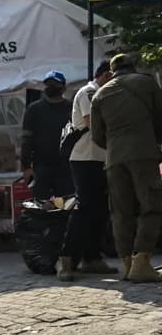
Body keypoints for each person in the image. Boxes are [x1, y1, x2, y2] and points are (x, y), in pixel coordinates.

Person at [92, 53, 162, 283]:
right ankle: (142, 261)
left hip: (114, 159)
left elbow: (97, 136)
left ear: (111, 72)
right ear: (132, 67)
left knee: (121, 212)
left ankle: (127, 264)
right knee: (151, 205)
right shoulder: (146, 82)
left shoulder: (100, 94)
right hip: (143, 154)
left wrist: (115, 146)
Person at [58, 60, 117, 281]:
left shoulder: (105, 94)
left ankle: (92, 257)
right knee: (84, 208)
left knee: (100, 209)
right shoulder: (90, 92)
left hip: (101, 157)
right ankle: (66, 258)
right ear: (106, 75)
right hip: (85, 157)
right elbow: (92, 121)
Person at [21, 71, 75, 200]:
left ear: (63, 87)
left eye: (55, 84)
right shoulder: (34, 109)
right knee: (41, 206)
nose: (51, 87)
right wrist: (26, 167)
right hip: (41, 167)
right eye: (48, 84)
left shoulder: (72, 108)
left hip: (67, 166)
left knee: (67, 205)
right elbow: (26, 139)